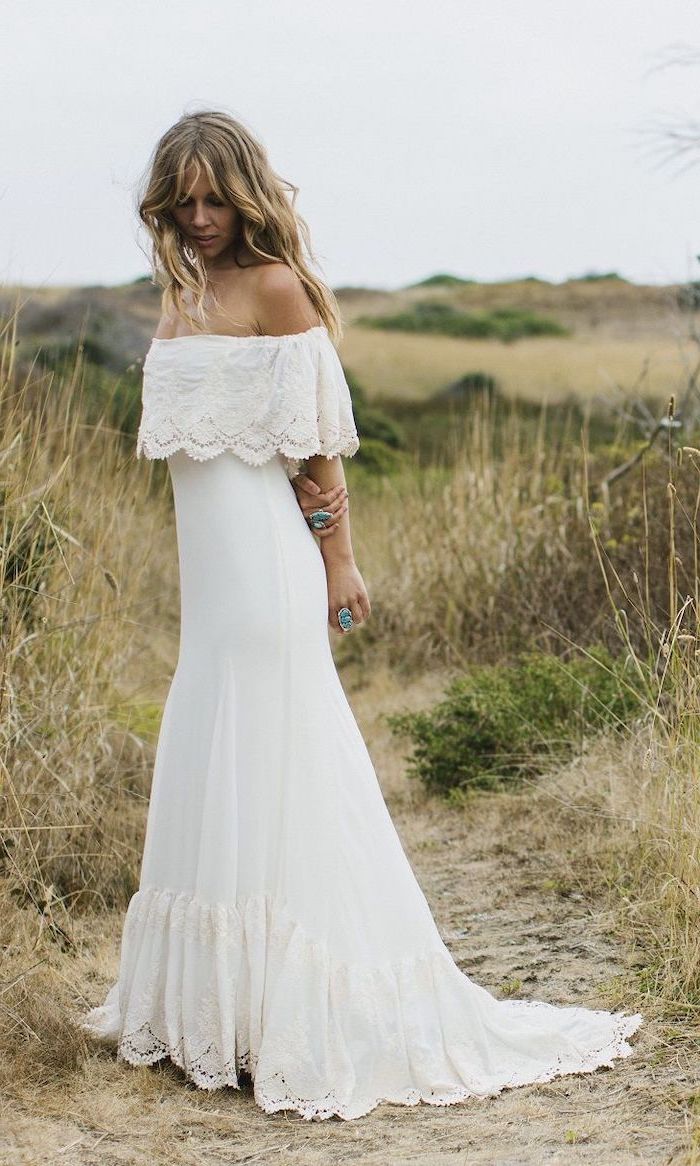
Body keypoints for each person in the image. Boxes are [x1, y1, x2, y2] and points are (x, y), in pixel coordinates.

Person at [78, 109, 642, 1122]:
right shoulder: (179, 291)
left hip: (265, 566)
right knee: (215, 753)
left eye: (215, 197)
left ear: (245, 192)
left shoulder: (276, 288)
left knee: (274, 757)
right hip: (208, 578)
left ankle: (297, 1008)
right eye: (183, 200)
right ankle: (220, 1010)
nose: (200, 217)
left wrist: (338, 560)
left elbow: (317, 449)